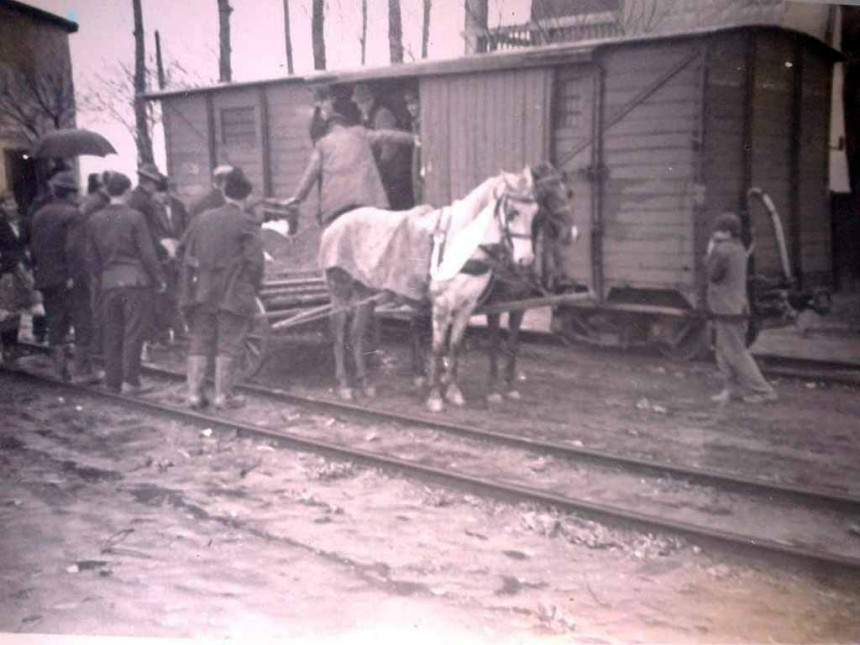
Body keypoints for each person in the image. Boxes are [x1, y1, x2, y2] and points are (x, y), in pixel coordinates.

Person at [179, 167, 263, 410]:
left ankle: (194, 395)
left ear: (225, 194)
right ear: (246, 198)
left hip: (202, 291)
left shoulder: (201, 219)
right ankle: (223, 396)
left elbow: (183, 251)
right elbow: (255, 264)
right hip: (233, 292)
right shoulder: (247, 222)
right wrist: (254, 288)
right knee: (229, 342)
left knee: (200, 340)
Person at [86, 172, 165, 395]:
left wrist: (101, 278)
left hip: (108, 283)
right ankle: (130, 381)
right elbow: (148, 253)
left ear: (108, 192)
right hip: (135, 282)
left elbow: (90, 257)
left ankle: (112, 381)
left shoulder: (94, 219)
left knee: (112, 332)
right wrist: (159, 278)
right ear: (127, 191)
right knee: (133, 332)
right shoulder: (135, 217)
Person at [284, 105, 417, 228]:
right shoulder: (359, 133)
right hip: (368, 200)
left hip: (338, 207)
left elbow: (310, 174)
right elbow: (386, 135)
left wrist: (297, 198)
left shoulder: (322, 144)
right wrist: (414, 138)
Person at [707, 212, 778, 404]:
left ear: (727, 232)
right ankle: (731, 390)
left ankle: (763, 391)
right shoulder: (739, 247)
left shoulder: (722, 250)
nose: (715, 234)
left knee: (735, 352)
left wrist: (711, 249)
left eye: (718, 231)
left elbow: (713, 274)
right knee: (723, 351)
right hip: (735, 307)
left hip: (728, 309)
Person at [28, 171, 80, 379]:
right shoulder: (73, 214)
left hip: (46, 276)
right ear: (69, 193)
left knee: (54, 321)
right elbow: (73, 249)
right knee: (77, 319)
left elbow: (34, 247)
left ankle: (60, 369)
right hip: (66, 278)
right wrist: (72, 275)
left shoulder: (39, 214)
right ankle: (79, 368)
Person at [351, 83, 414, 210]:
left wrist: (380, 169)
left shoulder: (382, 115)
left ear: (371, 100)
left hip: (393, 171)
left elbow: (390, 147)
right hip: (381, 170)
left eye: (362, 103)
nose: (359, 107)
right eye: (358, 103)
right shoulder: (364, 117)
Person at [151, 178, 190, 344]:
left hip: (178, 258)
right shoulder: (149, 208)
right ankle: (163, 334)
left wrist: (181, 246)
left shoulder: (178, 206)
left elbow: (187, 228)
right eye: (159, 194)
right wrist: (163, 246)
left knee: (179, 295)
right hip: (160, 259)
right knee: (162, 297)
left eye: (165, 193)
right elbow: (149, 233)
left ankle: (180, 332)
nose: (162, 197)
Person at [0, 192, 32, 364]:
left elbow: (29, 243)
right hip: (7, 271)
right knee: (7, 309)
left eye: (13, 203)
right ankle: (7, 346)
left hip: (23, 269)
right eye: (6, 204)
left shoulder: (24, 222)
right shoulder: (0, 226)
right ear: (1, 207)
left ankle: (14, 343)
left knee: (19, 307)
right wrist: (11, 260)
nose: (11, 207)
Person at [404, 88, 423, 205]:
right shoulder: (415, 123)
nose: (410, 107)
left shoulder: (424, 122)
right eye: (408, 104)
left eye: (413, 103)